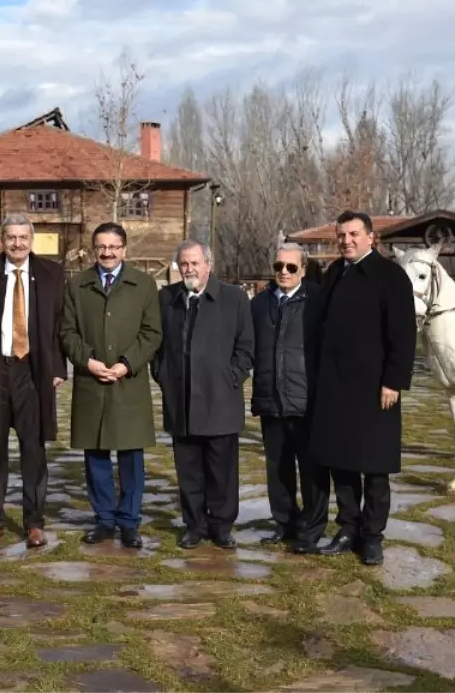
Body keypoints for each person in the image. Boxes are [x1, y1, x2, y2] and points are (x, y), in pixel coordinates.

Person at [305, 211, 417, 565]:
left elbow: (403, 334)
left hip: (375, 388)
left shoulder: (390, 276)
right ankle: (348, 527)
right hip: (336, 387)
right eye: (341, 235)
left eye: (354, 234)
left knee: (375, 466)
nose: (346, 241)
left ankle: (372, 536)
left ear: (371, 237)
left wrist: (394, 381)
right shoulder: (334, 273)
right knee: (343, 463)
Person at [0, 214, 67, 548]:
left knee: (33, 450)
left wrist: (59, 368)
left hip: (34, 373)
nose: (17, 243)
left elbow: (61, 325)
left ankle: (34, 522)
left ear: (31, 240)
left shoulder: (52, 274)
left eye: (23, 237)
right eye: (11, 237)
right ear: (2, 240)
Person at [59, 223, 162, 549]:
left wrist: (127, 364)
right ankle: (104, 519)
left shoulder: (144, 284)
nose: (107, 252)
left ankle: (130, 522)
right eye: (101, 246)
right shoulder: (78, 285)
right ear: (93, 249)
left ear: (124, 249)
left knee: (132, 456)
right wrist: (87, 361)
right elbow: (67, 332)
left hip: (128, 384)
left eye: (113, 246)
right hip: (92, 382)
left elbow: (152, 333)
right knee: (96, 456)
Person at [153, 239, 254, 550]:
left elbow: (246, 347)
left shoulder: (234, 298)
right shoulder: (166, 298)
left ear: (208, 264)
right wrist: (164, 377)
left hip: (220, 399)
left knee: (221, 469)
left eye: (195, 262)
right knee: (189, 469)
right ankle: (194, 525)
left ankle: (222, 526)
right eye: (184, 263)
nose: (189, 268)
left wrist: (230, 377)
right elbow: (156, 347)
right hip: (181, 400)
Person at [250, 242, 320, 548]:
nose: (284, 272)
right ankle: (285, 523)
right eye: (279, 266)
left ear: (303, 269)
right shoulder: (258, 304)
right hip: (270, 398)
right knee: (277, 468)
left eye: (291, 267)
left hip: (307, 400)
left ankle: (312, 528)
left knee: (311, 469)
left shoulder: (317, 300)